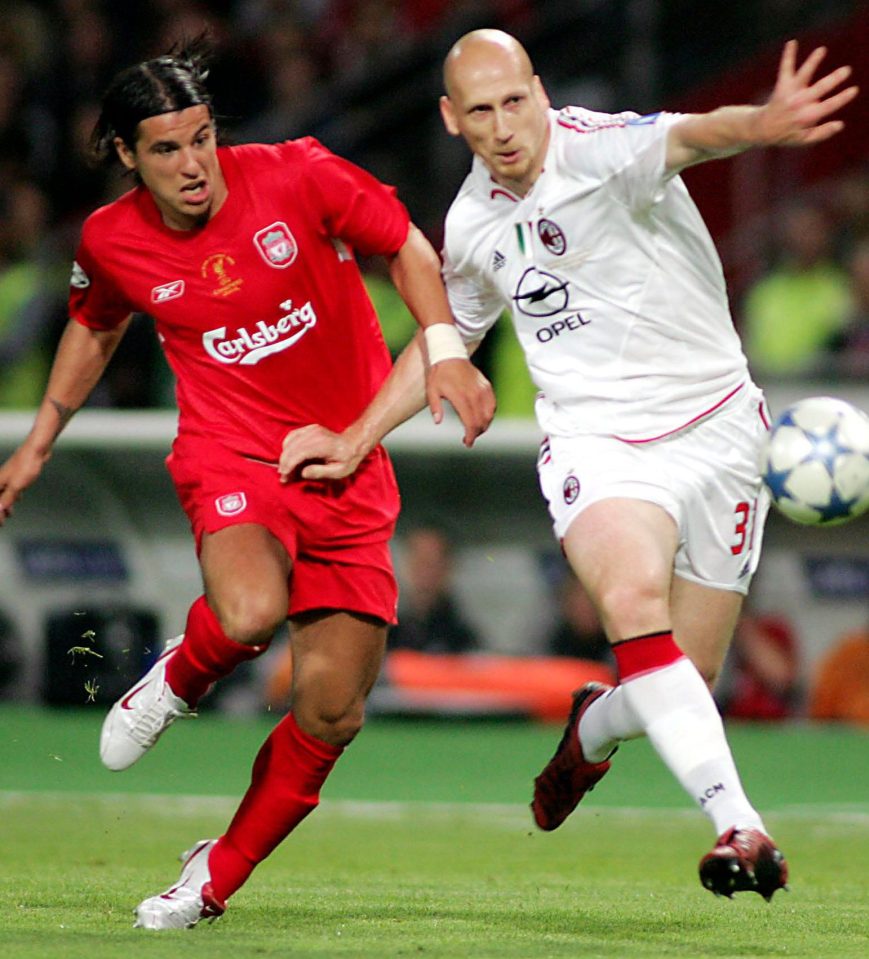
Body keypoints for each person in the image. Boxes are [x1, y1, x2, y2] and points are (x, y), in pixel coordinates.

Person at [278, 30, 858, 900]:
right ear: (450, 118)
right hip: (598, 442)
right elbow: (448, 337)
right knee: (631, 604)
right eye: (481, 110)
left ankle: (592, 724)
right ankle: (737, 821)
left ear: (539, 91)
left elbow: (695, 135)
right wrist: (357, 436)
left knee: (683, 682)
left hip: (718, 429)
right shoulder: (471, 226)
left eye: (517, 100)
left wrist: (762, 124)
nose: (506, 125)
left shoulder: (601, 149)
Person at [0, 38, 494, 930]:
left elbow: (408, 246)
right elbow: (93, 325)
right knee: (249, 613)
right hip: (232, 457)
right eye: (164, 148)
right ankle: (176, 681)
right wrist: (40, 438)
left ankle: (212, 873)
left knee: (332, 711)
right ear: (125, 154)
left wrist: (446, 347)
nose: (192, 165)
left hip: (346, 462)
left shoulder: (298, 175)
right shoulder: (111, 239)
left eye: (200, 138)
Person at [389, 522, 480, 654]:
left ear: (449, 566)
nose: (425, 570)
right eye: (419, 561)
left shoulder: (462, 638)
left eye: (433, 562)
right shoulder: (386, 634)